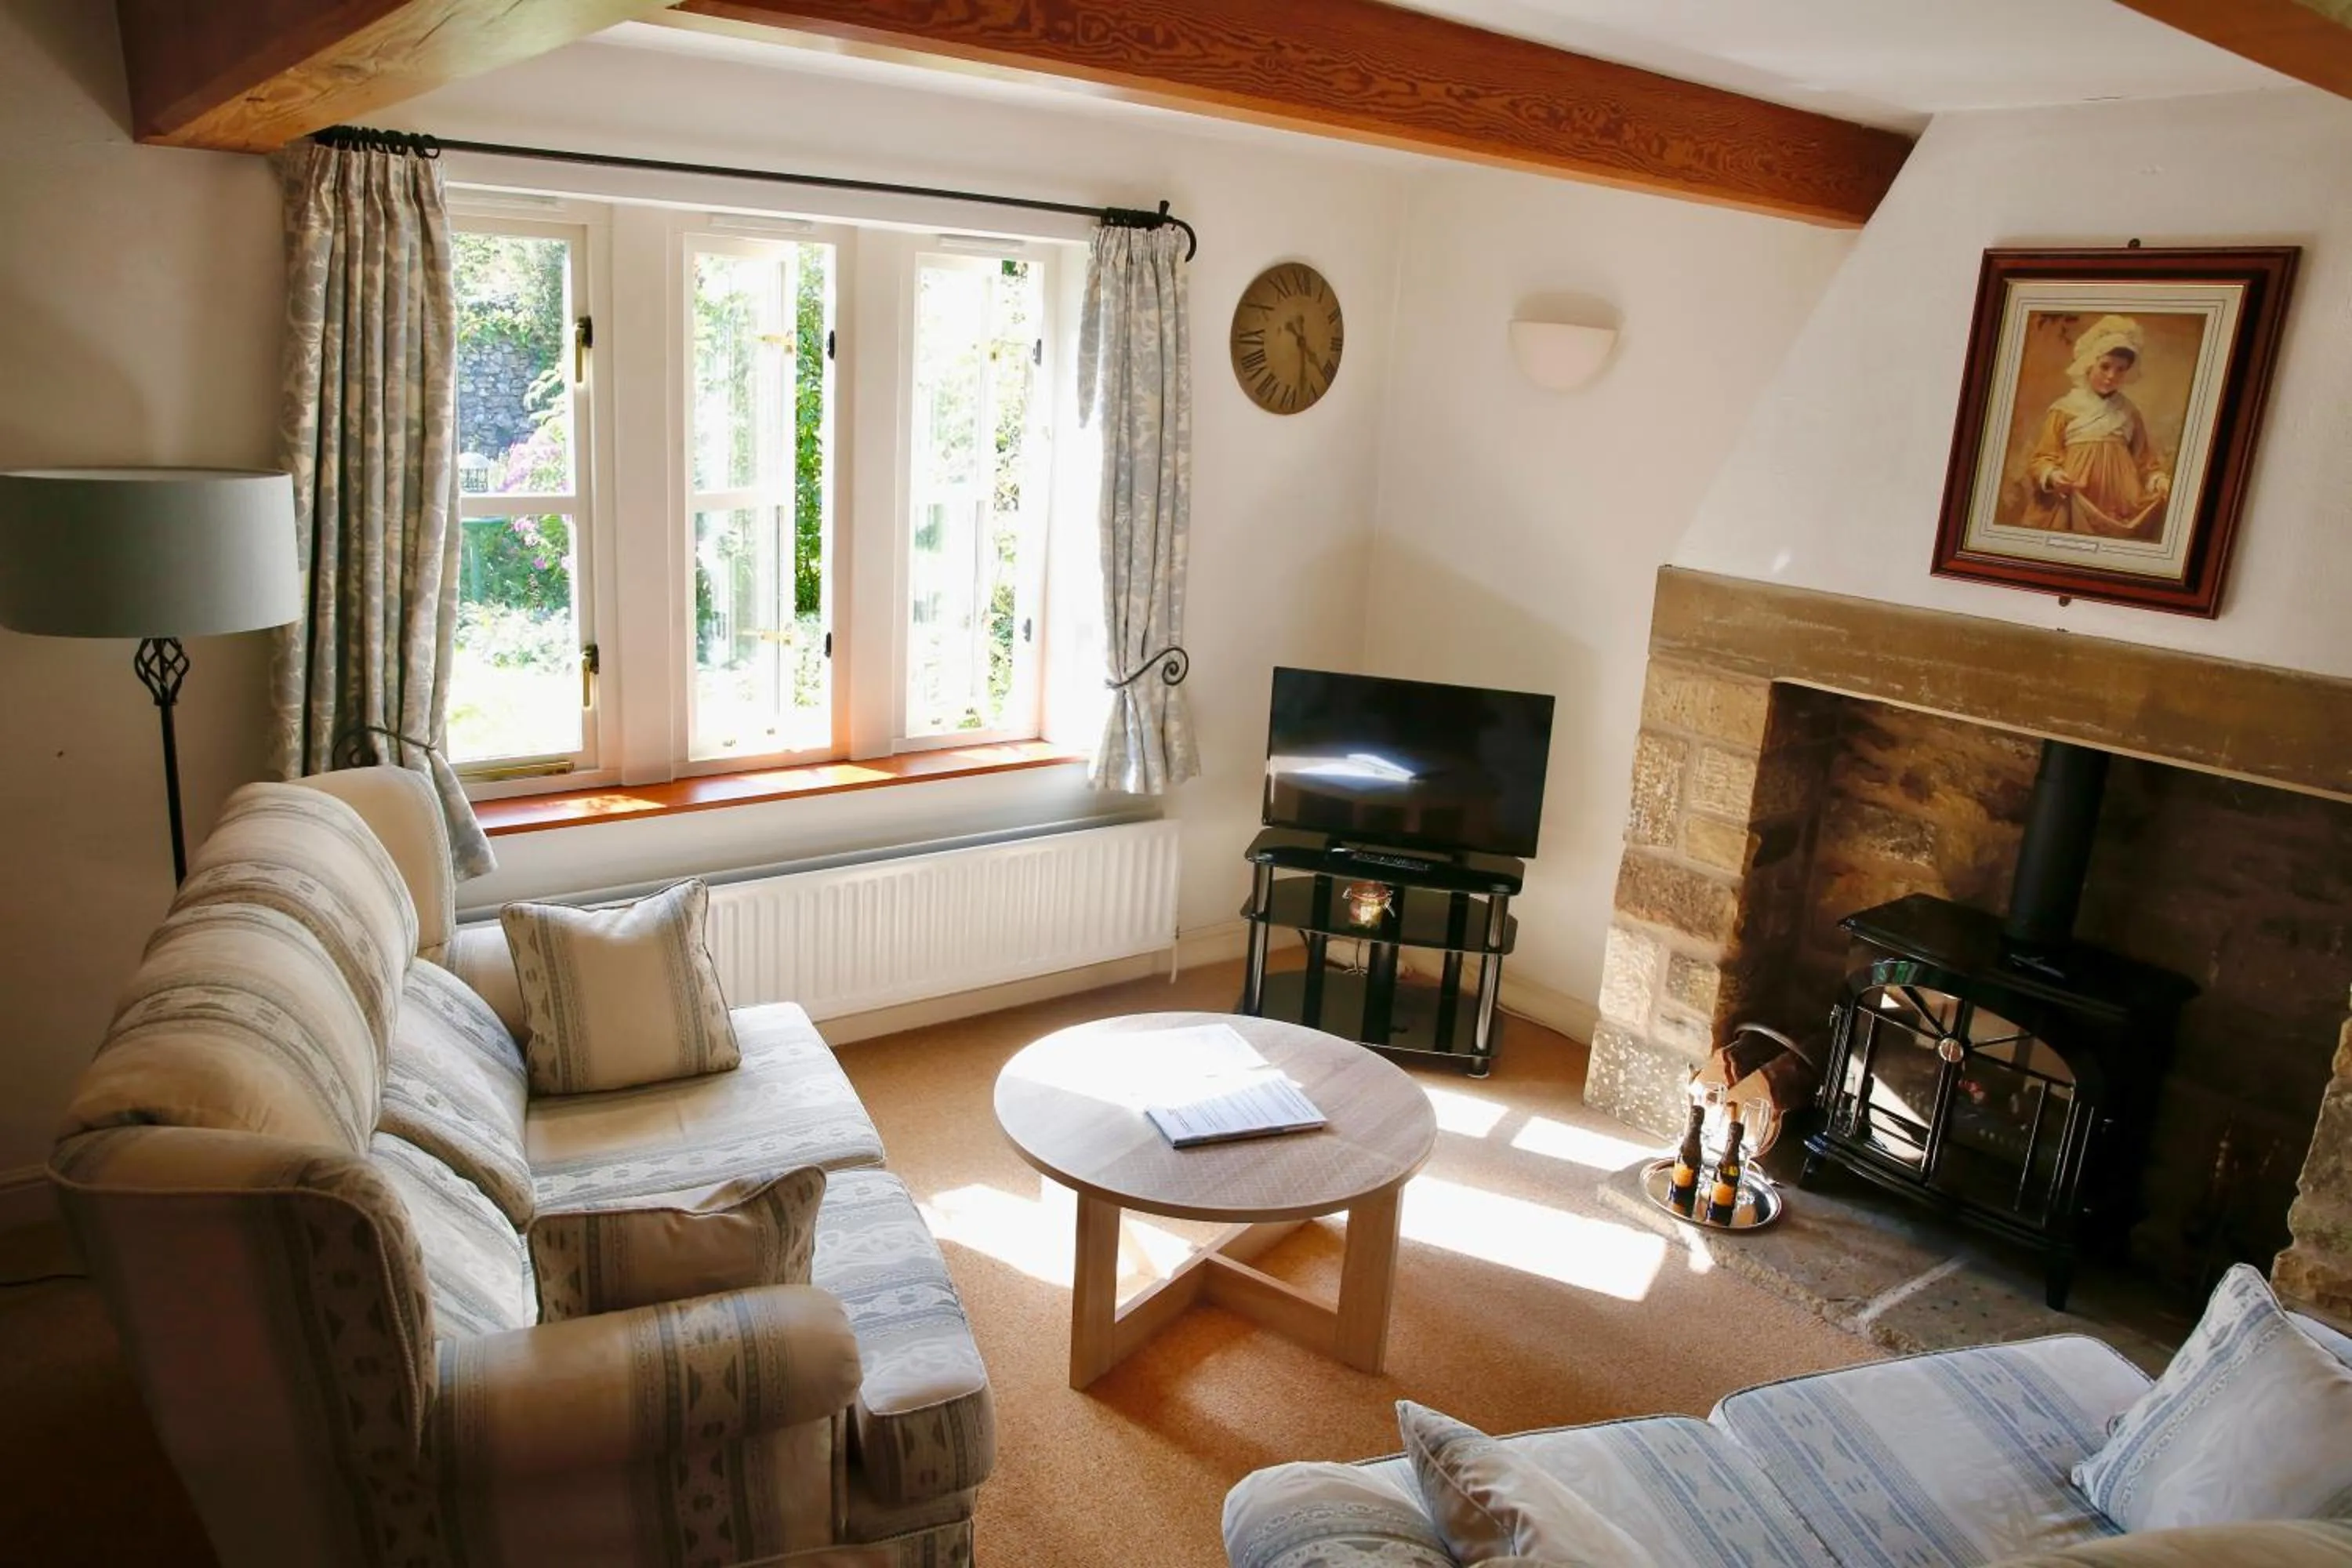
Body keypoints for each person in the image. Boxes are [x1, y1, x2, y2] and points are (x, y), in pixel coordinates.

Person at [2015, 314, 2172, 539]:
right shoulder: (2064, 409)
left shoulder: (2130, 413)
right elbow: (2042, 459)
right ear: (2089, 364)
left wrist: (2158, 480)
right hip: (2075, 499)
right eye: (2105, 366)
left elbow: (2145, 462)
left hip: (2121, 501)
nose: (2111, 376)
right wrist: (2053, 475)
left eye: (2121, 369)